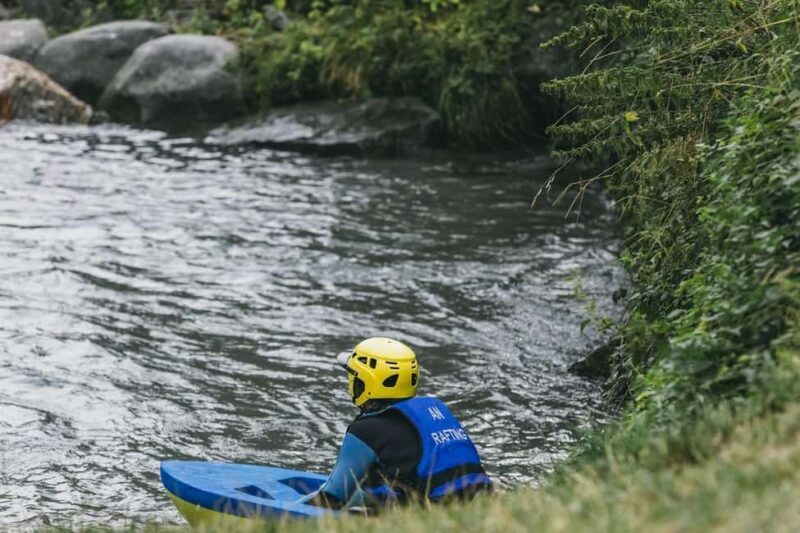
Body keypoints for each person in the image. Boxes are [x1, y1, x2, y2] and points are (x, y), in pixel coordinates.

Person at [300, 337, 492, 509]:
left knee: (359, 496)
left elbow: (332, 497)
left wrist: (291, 507)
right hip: (479, 501)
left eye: (353, 376)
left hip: (429, 512)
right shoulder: (435, 410)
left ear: (366, 381)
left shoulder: (366, 430)